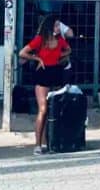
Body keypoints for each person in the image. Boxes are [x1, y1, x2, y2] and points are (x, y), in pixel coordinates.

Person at [19, 15, 72, 155]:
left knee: (54, 109)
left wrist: (61, 57)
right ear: (49, 26)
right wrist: (37, 58)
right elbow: (22, 53)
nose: (58, 28)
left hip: (56, 73)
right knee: (43, 109)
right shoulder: (40, 39)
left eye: (58, 26)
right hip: (42, 74)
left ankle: (50, 142)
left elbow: (68, 50)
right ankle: (38, 144)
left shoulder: (60, 40)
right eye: (56, 25)